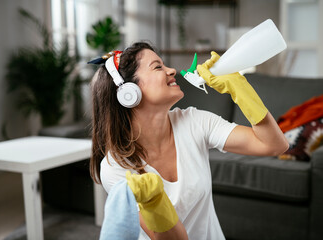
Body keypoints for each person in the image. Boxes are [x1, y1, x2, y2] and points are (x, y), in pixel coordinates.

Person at [89, 41, 289, 240]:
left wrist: (241, 91)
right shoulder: (116, 167)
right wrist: (155, 203)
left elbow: (274, 145)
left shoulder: (194, 122)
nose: (172, 70)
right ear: (128, 93)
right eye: (158, 67)